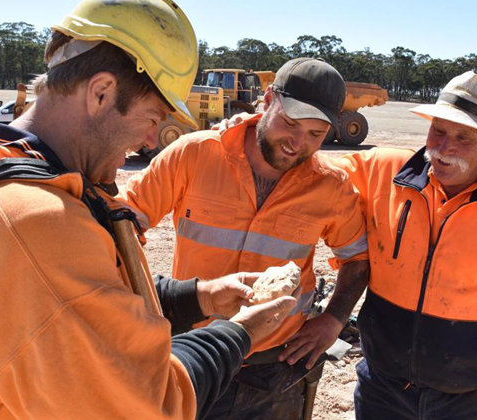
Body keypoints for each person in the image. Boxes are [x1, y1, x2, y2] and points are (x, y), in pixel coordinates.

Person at [0, 1, 297, 419]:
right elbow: (150, 400)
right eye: (151, 118)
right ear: (101, 92)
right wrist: (240, 334)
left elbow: (92, 296)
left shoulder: (37, 182)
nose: (150, 141)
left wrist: (196, 298)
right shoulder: (37, 222)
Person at [116, 57, 370, 419]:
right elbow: (125, 222)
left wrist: (332, 321)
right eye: (290, 124)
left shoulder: (332, 187)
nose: (297, 144)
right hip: (194, 358)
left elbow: (357, 258)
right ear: (268, 101)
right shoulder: (194, 154)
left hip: (275, 371)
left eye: (315, 135)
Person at [334, 71, 477, 420]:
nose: (443, 149)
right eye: (438, 131)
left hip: (467, 397)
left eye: (464, 138)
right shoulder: (380, 171)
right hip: (381, 385)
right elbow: (307, 170)